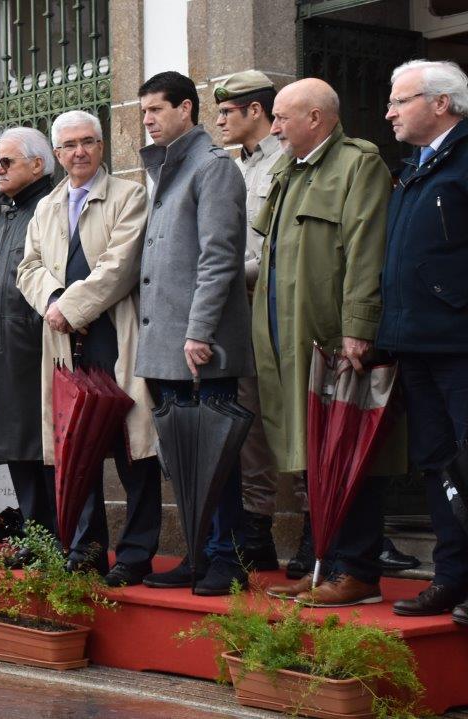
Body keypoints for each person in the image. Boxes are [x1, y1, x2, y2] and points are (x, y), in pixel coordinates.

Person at [253, 79, 399, 609]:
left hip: (335, 340)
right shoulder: (288, 170)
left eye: (281, 117)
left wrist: (359, 325)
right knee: (317, 454)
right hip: (290, 341)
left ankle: (357, 570)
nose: (273, 127)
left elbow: (366, 250)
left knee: (351, 451)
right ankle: (323, 567)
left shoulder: (358, 166)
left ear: (316, 117)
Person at [16, 113, 163, 587]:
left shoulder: (129, 195)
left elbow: (120, 265)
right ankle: (88, 549)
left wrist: (71, 307)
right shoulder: (47, 206)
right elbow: (29, 267)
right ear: (56, 155)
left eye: (88, 142)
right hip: (64, 343)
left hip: (113, 338)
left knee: (132, 448)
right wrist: (55, 303)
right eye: (69, 146)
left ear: (102, 147)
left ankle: (137, 553)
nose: (79, 152)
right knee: (76, 447)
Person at [134, 72, 254, 595]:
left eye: (157, 110)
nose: (149, 120)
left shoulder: (213, 167)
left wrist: (199, 331)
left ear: (187, 108)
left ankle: (227, 557)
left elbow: (219, 257)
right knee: (184, 459)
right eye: (143, 113)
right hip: (167, 344)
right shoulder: (168, 170)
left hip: (201, 344)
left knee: (217, 455)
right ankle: (198, 556)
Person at [213, 70, 311, 576]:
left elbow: (274, 252)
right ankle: (258, 534)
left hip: (276, 308)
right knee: (248, 422)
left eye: (227, 111)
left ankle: (317, 526)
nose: (220, 121)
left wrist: (221, 276)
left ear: (257, 111)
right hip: (239, 314)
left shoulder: (287, 163)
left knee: (292, 416)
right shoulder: (234, 169)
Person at [380, 60, 468, 622]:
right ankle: (452, 577)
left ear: (441, 104)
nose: (387, 110)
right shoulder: (415, 167)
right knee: (437, 465)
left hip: (458, 342)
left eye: (400, 100)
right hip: (415, 343)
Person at [0, 127, 59, 537]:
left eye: (7, 161)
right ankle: (34, 533)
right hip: (4, 346)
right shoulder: (8, 211)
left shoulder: (49, 206)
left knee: (41, 446)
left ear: (37, 164)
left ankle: (51, 535)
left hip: (37, 344)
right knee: (15, 446)